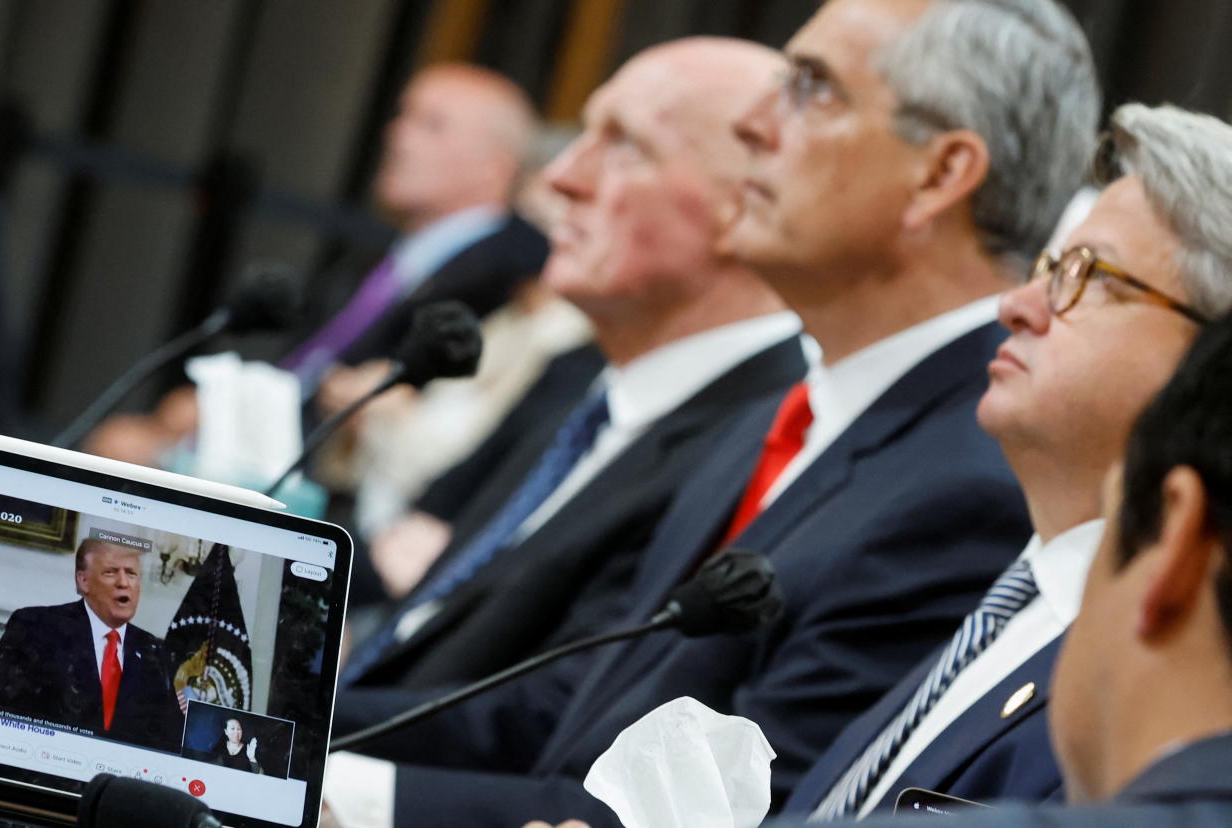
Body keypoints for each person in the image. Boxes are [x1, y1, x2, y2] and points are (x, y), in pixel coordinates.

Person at [336, 1, 1098, 825]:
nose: (758, 129)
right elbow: (580, 711)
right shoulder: (781, 417)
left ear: (940, 174)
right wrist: (296, 730)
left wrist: (332, 790)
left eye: (811, 89)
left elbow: (714, 815)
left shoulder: (970, 482)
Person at [777, 101, 1232, 821]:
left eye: (1089, 275)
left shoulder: (1163, 677)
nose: (1016, 306)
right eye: (1048, 266)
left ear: (1210, 355)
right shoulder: (1013, 587)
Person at [329, 36, 806, 721]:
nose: (562, 178)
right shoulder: (598, 387)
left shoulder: (767, 437)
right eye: (583, 135)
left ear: (745, 204)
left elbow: (554, 721)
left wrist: (297, 718)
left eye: (625, 146)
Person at [84, 63, 549, 467]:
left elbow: (375, 398)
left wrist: (230, 421)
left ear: (494, 167)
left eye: (431, 124)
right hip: (281, 439)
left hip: (327, 473)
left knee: (119, 448)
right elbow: (311, 364)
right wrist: (229, 405)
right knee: (119, 441)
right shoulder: (392, 255)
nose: (397, 135)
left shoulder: (510, 267)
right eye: (402, 116)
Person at [0, 538, 185, 751]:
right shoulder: (36, 626)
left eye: (131, 574)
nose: (124, 583)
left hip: (117, 780)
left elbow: (169, 739)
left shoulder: (151, 649)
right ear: (83, 581)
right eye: (110, 572)